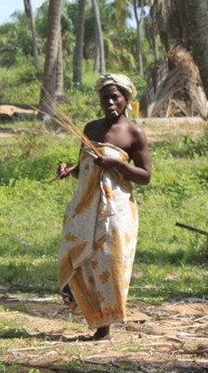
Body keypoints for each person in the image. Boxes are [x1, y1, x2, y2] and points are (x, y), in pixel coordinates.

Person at [56, 73, 152, 341]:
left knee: (107, 262)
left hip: (116, 210)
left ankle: (104, 326)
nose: (110, 102)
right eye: (105, 97)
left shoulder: (134, 133)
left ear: (126, 99)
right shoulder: (90, 129)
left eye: (115, 97)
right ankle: (84, 303)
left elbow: (145, 176)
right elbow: (86, 169)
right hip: (85, 206)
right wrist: (69, 170)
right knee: (78, 254)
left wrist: (120, 166)